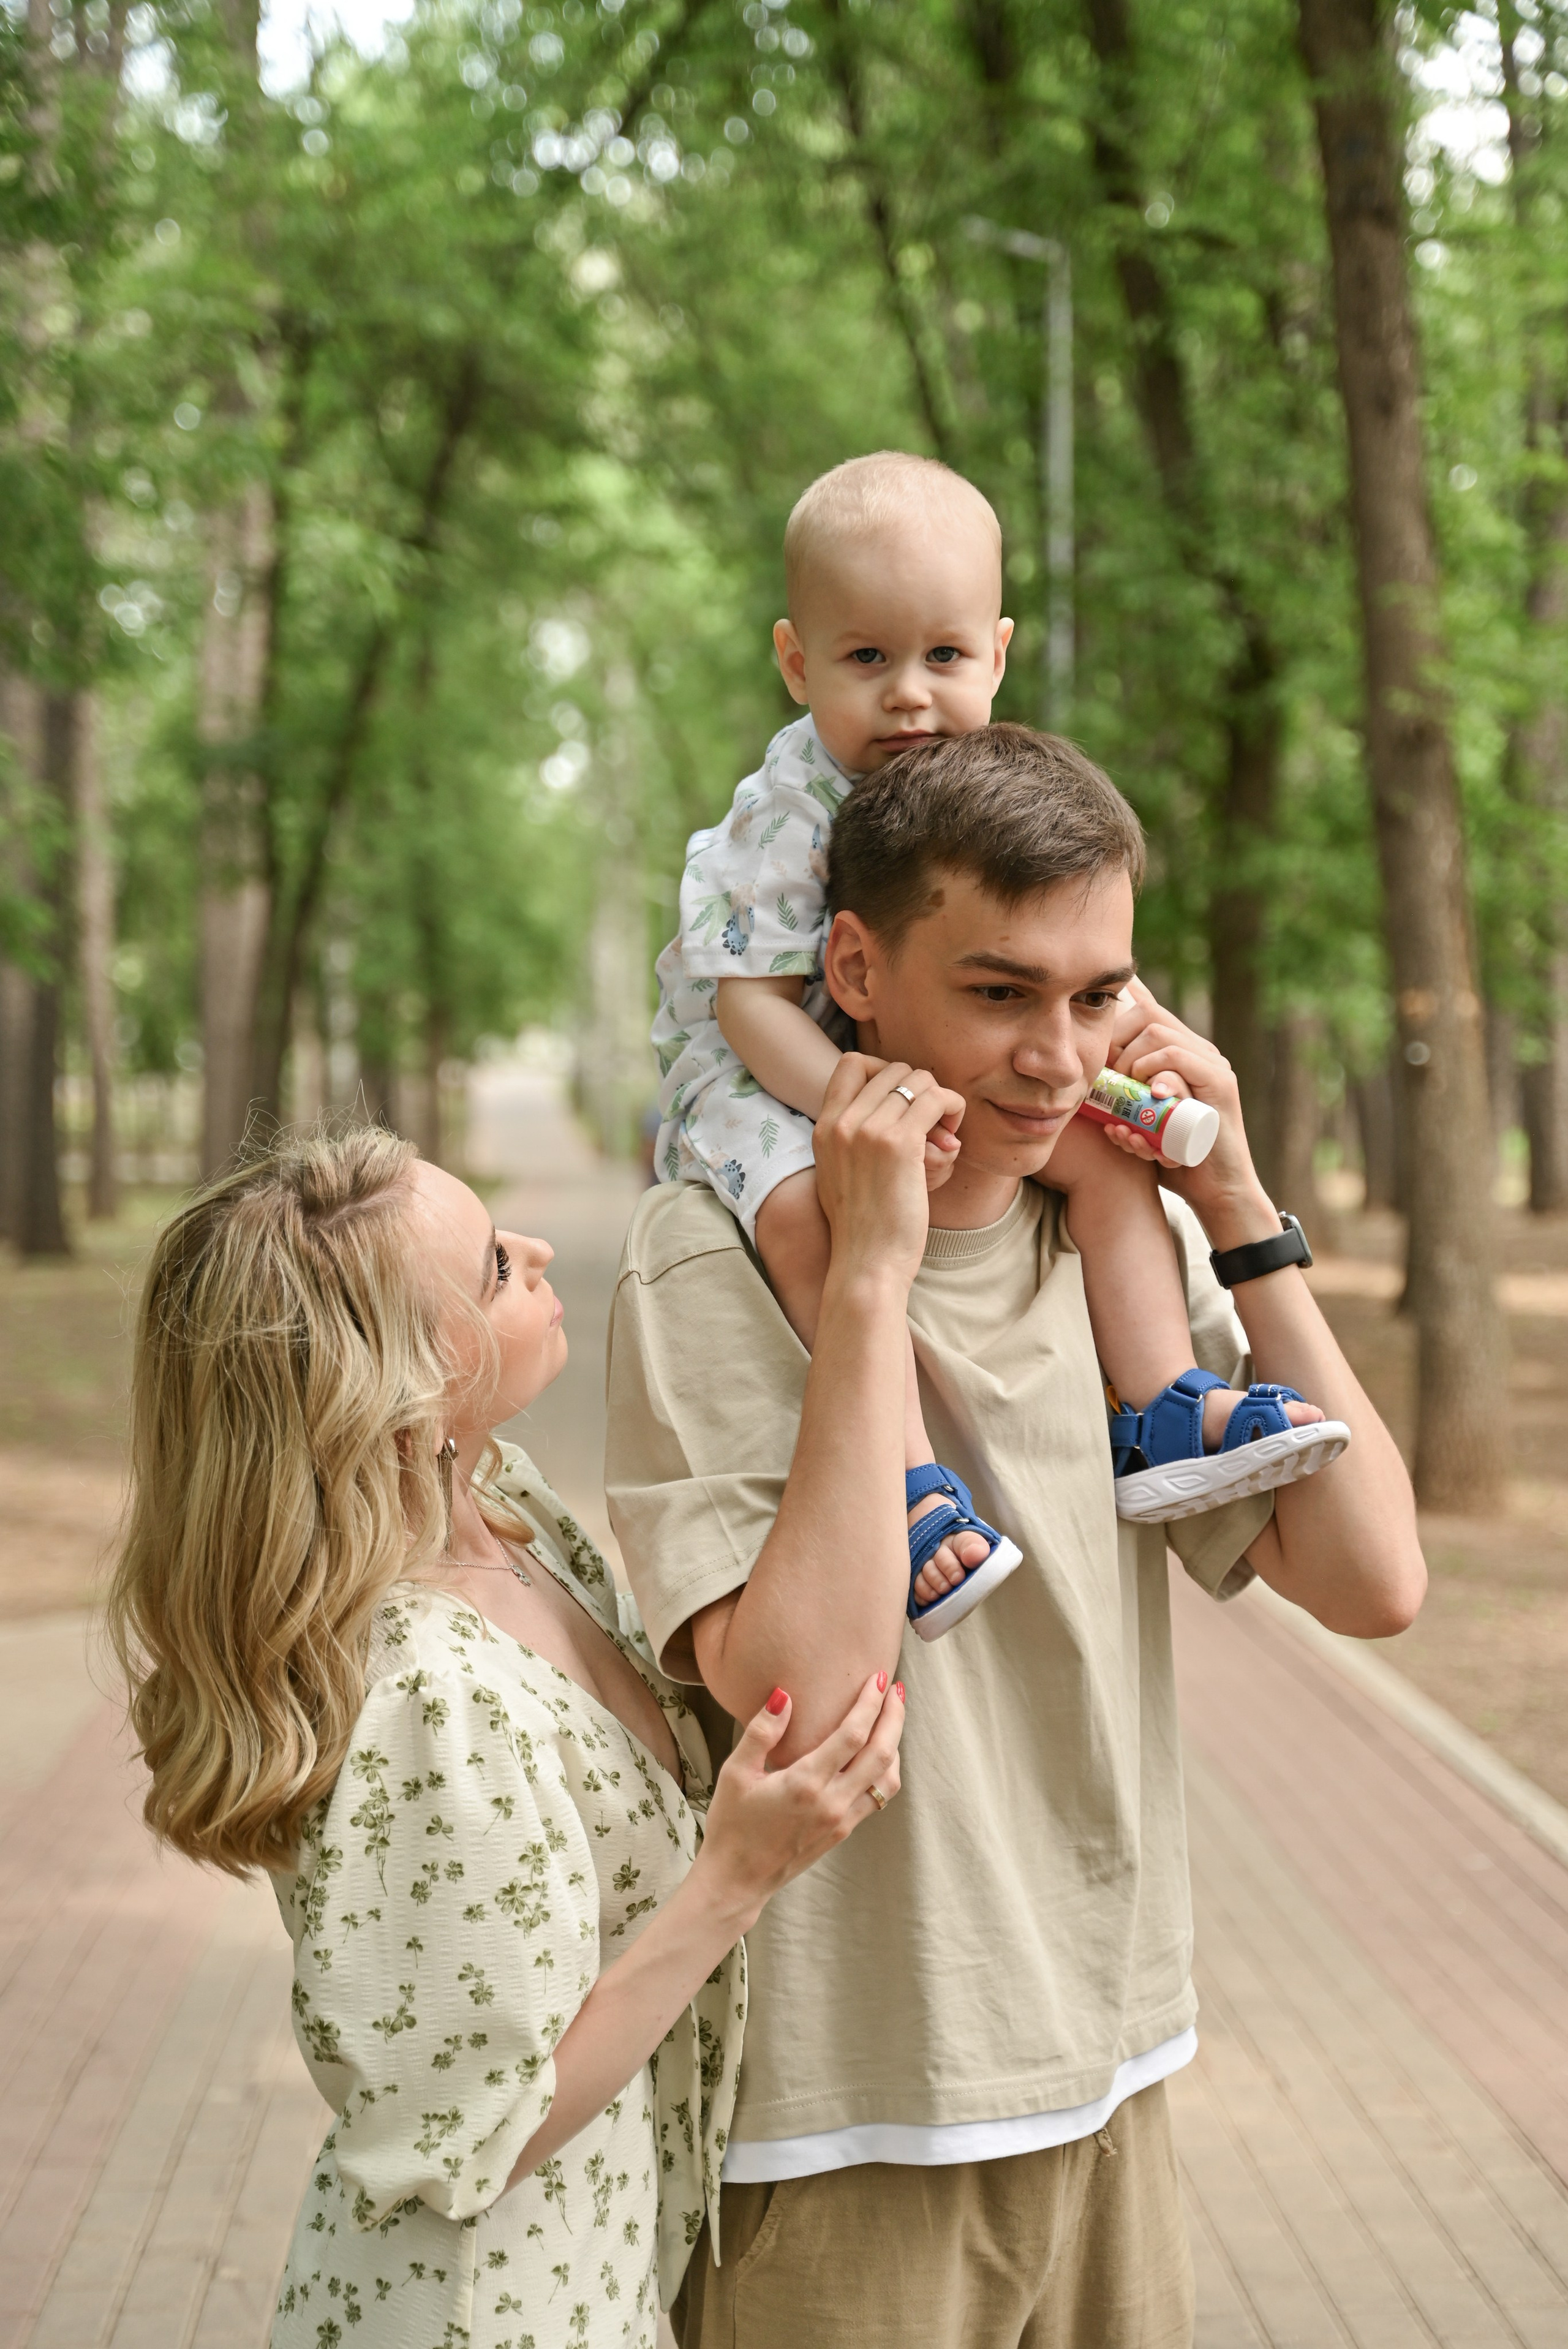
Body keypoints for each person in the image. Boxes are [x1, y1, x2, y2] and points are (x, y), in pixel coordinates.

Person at [607, 725, 1426, 2349]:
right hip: (849, 2135)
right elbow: (804, 1696)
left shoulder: (1114, 1256)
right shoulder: (712, 1259)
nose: (1062, 1054)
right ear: (855, 967)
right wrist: (869, 1281)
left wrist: (1246, 1208)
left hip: (1114, 2082)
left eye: (1101, 991)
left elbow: (1375, 1580)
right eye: (999, 993)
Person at [104, 1126, 906, 2349]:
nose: (536, 1249)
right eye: (491, 1268)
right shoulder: (428, 1700)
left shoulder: (508, 1512)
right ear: (413, 1390)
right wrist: (734, 1877)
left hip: (590, 2267)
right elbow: (477, 2132)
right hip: (486, 2313)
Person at [651, 451, 1343, 1644]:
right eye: (866, 659)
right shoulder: (781, 816)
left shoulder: (982, 793)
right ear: (795, 660)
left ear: (997, 653)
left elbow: (1060, 951)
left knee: (1107, 1164)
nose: (910, 696)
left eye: (944, 657)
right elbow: (746, 1004)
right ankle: (912, 1484)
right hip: (761, 1071)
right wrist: (856, 1106)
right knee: (810, 1215)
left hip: (899, 1067)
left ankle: (1161, 1399)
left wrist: (1127, 1067)